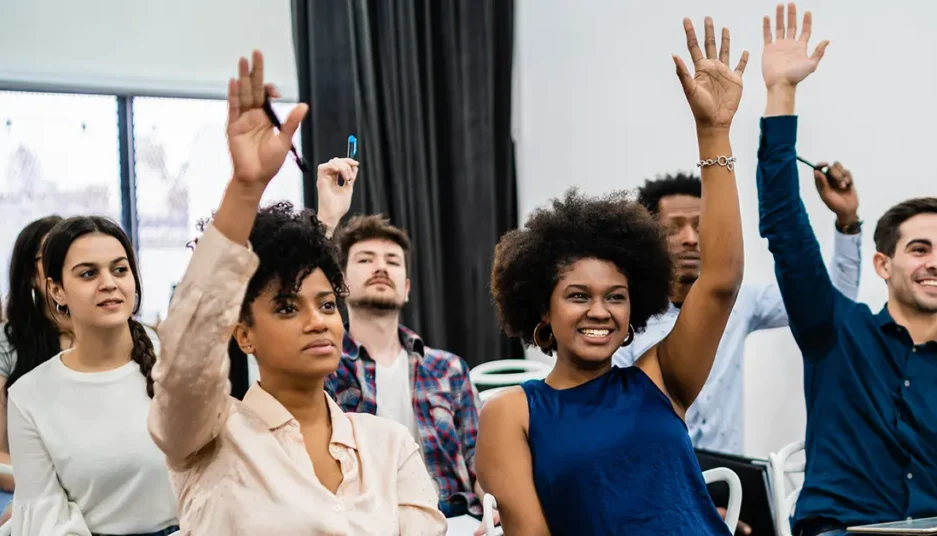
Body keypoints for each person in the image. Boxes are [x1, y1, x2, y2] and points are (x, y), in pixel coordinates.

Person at [147, 50, 447, 535]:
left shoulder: (386, 445)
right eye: (287, 308)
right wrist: (246, 189)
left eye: (328, 305)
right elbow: (188, 354)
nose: (318, 321)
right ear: (243, 334)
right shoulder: (208, 435)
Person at [477, 16, 747, 535]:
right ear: (543, 309)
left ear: (632, 312)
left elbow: (720, 280)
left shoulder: (659, 379)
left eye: (616, 297)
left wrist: (713, 132)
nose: (599, 311)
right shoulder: (511, 413)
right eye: (579, 295)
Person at [756, 5, 937, 536]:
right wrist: (782, 94)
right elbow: (786, 230)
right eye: (921, 249)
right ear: (883, 264)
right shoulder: (835, 330)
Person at [616, 166, 861, 455]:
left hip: (728, 481)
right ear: (647, 238)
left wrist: (847, 221)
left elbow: (830, 299)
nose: (690, 239)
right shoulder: (624, 313)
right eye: (673, 228)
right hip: (655, 476)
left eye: (700, 225)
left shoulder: (738, 301)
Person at [6, 216, 178, 535]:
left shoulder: (177, 362)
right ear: (56, 290)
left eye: (119, 269)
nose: (109, 283)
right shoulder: (29, 396)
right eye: (88, 273)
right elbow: (46, 522)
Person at [321, 207, 482, 519]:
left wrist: (494, 502)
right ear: (340, 285)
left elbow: (479, 458)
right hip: (366, 521)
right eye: (366, 259)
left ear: (406, 289)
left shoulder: (448, 369)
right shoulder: (325, 369)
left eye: (392, 261)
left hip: (453, 517)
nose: (380, 267)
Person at [0, 215, 66, 525]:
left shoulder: (110, 336)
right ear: (30, 276)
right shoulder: (3, 343)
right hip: (23, 487)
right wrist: (59, 485)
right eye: (51, 257)